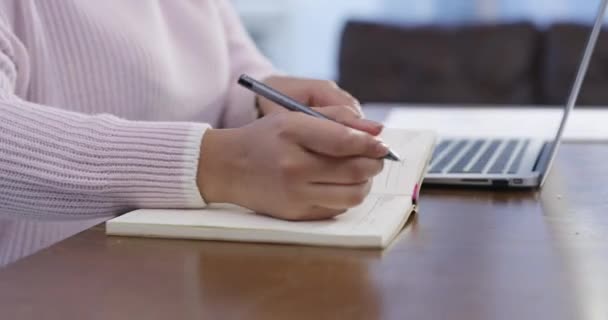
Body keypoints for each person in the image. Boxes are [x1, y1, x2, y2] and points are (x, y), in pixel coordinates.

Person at [0, 0, 386, 221]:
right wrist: (219, 164)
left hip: (171, 274)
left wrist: (262, 100)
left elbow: (230, 63)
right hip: (44, 286)